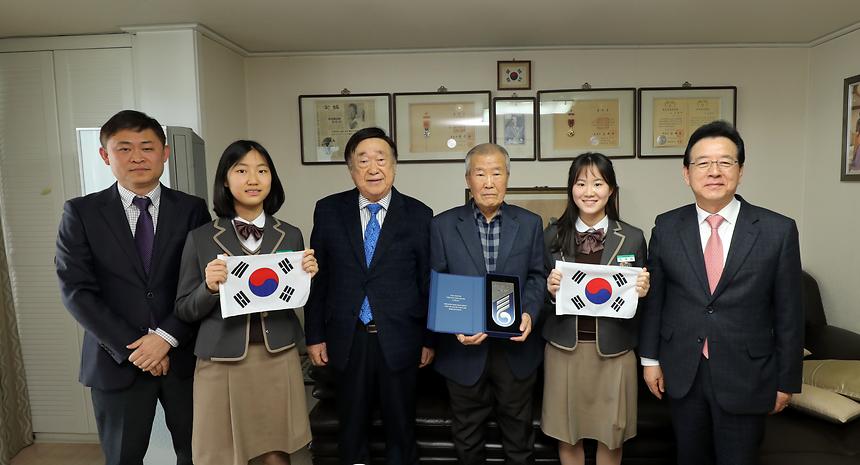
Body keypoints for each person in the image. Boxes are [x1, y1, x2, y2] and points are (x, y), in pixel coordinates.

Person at [639, 120, 803, 465]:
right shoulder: (667, 226)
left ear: (740, 171)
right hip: (683, 369)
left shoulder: (778, 230)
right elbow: (657, 300)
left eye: (725, 162)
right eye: (703, 163)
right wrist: (650, 359)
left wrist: (787, 380)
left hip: (748, 373)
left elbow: (789, 312)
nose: (714, 171)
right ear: (687, 173)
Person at [55, 110, 210, 465]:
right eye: (124, 148)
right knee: (123, 457)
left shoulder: (191, 209)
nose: (137, 157)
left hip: (183, 357)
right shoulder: (81, 213)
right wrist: (137, 348)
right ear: (105, 156)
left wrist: (166, 338)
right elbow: (76, 290)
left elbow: (202, 283)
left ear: (165, 153)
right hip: (116, 360)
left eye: (147, 147)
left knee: (199, 454)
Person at [174, 140, 317, 465]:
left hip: (276, 358)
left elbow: (293, 295)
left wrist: (308, 276)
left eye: (262, 171)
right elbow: (184, 308)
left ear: (272, 180)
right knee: (222, 456)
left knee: (277, 456)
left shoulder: (291, 235)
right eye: (242, 170)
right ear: (226, 180)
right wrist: (209, 287)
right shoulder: (201, 237)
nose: (253, 179)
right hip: (221, 362)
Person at [304, 127, 434, 465]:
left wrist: (429, 339)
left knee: (400, 430)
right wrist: (315, 335)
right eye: (363, 160)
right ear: (351, 169)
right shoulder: (329, 211)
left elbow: (427, 282)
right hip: (348, 337)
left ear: (394, 166)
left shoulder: (420, 214)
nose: (373, 168)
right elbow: (320, 278)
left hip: (401, 337)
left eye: (381, 159)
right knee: (351, 428)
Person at [430, 143, 546, 465]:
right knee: (466, 440)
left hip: (515, 351)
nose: (489, 182)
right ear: (468, 178)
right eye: (480, 173)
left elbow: (538, 276)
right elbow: (435, 282)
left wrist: (529, 314)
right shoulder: (442, 225)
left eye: (497, 173)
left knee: (519, 440)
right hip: (462, 352)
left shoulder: (530, 223)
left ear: (508, 177)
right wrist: (455, 326)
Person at [543, 153, 650, 465]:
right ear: (571, 189)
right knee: (567, 434)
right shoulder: (552, 236)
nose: (588, 191)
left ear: (611, 190)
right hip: (564, 349)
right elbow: (536, 294)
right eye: (580, 183)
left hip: (615, 352)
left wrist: (643, 292)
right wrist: (549, 293)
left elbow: (642, 301)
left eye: (598, 183)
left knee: (612, 436)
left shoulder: (632, 237)